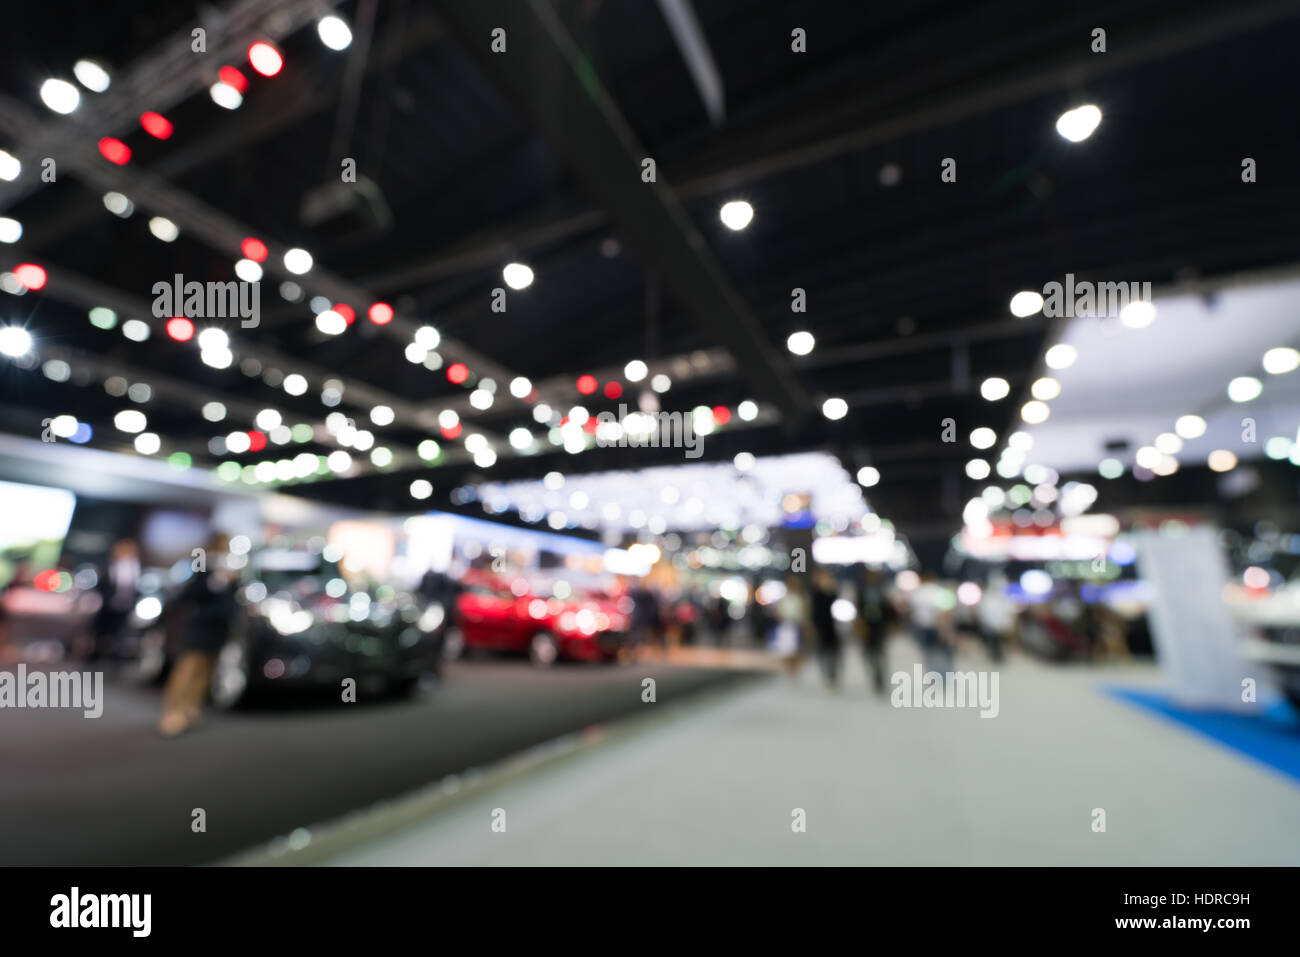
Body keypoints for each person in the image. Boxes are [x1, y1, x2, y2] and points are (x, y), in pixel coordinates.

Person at [159, 534, 237, 737]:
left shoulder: (231, 566)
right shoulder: (202, 563)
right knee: (188, 667)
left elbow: (232, 599)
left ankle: (191, 708)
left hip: (219, 626)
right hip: (199, 625)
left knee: (207, 669)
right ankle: (173, 712)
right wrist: (218, 581)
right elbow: (192, 592)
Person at [90, 539, 141, 662]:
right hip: (108, 604)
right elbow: (102, 585)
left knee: (118, 631)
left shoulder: (135, 566)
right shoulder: (109, 564)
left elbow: (136, 587)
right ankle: (96, 654)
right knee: (101, 630)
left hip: (126, 605)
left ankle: (112, 655)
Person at [910, 571, 955, 677]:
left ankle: (932, 676)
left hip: (923, 628)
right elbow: (947, 612)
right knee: (946, 653)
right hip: (939, 627)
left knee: (928, 654)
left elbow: (913, 613)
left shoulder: (917, 593)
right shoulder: (940, 591)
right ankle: (948, 674)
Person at [858, 567, 894, 695]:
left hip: (879, 626)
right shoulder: (862, 591)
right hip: (866, 626)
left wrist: (889, 624)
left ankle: (881, 678)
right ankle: (875, 676)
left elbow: (888, 609)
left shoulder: (881, 591)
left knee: (880, 653)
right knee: (869, 654)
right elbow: (859, 609)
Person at [770, 573, 812, 679]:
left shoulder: (802, 597)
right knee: (786, 649)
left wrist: (806, 624)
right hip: (785, 625)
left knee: (798, 649)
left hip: (798, 625)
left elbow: (805, 612)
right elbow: (777, 611)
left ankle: (796, 669)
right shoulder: (783, 598)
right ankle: (789, 669)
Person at [809, 567, 841, 689]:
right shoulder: (816, 594)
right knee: (823, 654)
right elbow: (814, 613)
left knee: (834, 654)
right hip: (821, 629)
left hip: (834, 628)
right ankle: (826, 676)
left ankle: (833, 675)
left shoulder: (834, 593)